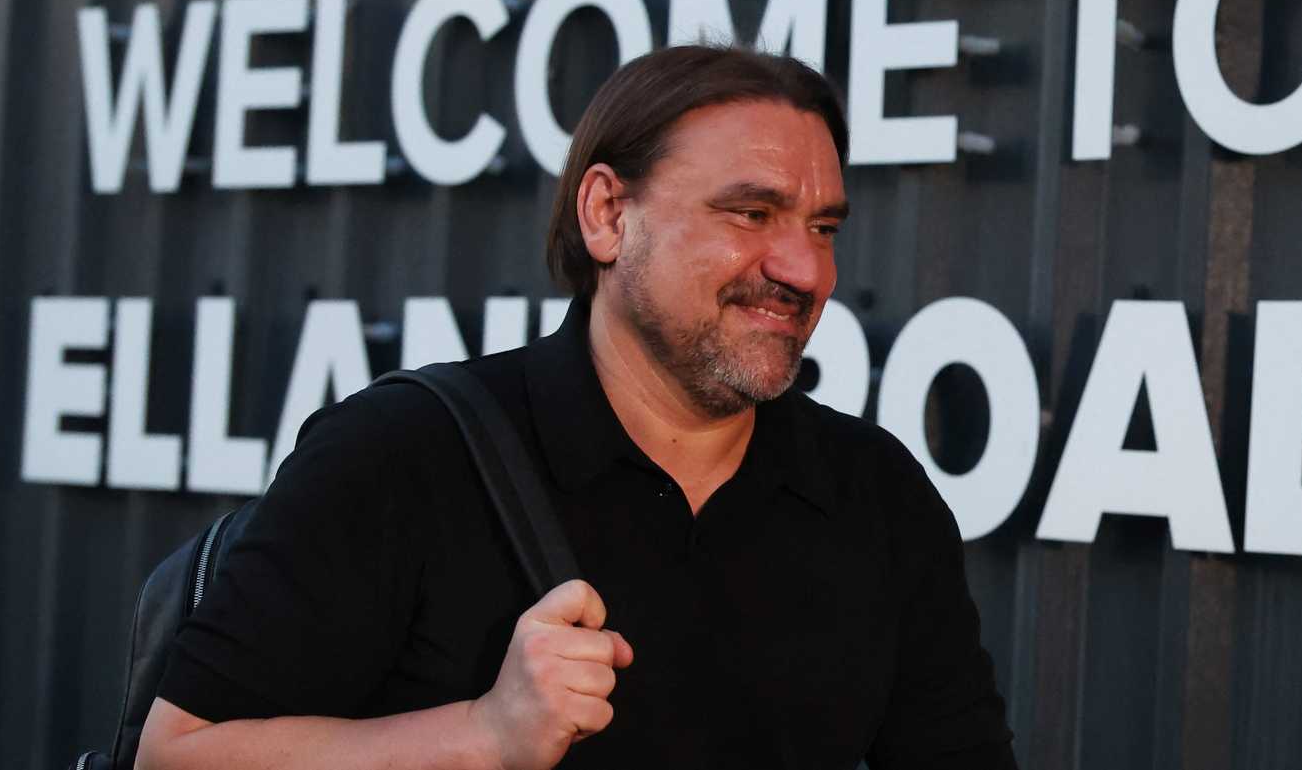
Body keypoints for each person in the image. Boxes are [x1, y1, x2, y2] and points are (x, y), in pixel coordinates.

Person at [137, 44, 1019, 770]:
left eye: (823, 228)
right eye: (751, 213)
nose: (806, 270)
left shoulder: (877, 497)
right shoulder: (405, 452)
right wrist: (481, 733)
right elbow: (176, 753)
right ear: (607, 213)